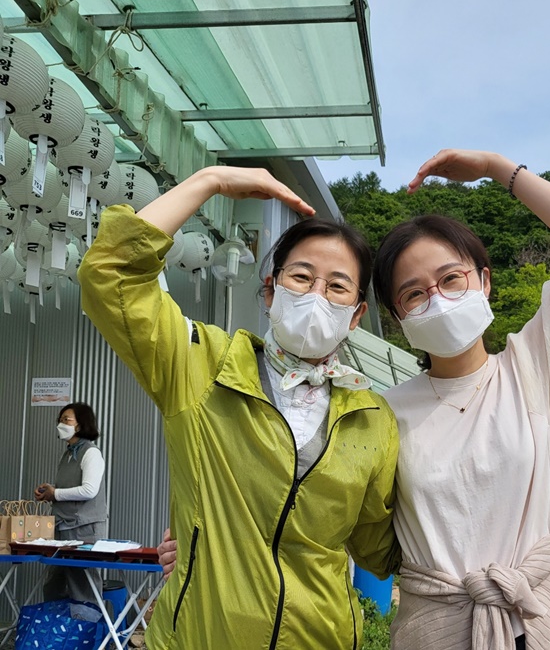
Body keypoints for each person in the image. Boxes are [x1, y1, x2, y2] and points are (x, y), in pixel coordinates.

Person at [77, 166, 400, 649]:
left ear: (356, 314)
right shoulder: (201, 364)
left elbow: (381, 550)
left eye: (337, 287)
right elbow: (110, 276)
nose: (316, 296)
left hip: (321, 639)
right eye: (302, 276)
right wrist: (208, 181)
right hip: (200, 636)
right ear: (270, 290)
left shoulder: (373, 416)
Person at [371, 149, 550, 650]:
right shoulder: (385, 411)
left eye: (451, 278)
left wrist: (494, 169)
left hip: (542, 621)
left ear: (484, 281)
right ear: (399, 318)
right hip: (437, 630)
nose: (436, 298)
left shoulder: (536, 365)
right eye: (414, 293)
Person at [34, 402, 107, 605]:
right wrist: (48, 490)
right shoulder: (67, 454)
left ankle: (85, 632)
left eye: (66, 419)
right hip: (63, 529)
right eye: (60, 419)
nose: (61, 423)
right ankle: (58, 631)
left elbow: (89, 490)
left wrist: (55, 493)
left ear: (81, 424)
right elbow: (68, 488)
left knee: (83, 586)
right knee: (53, 584)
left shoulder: (91, 453)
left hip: (84, 530)